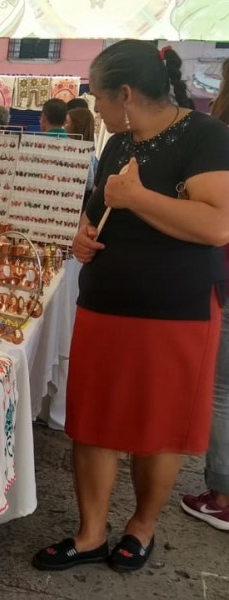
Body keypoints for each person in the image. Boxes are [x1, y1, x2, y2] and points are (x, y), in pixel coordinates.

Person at [32, 40, 229, 572]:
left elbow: (217, 224)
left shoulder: (206, 136)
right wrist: (80, 234)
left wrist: (137, 198)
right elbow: (96, 211)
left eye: (97, 97)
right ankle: (91, 532)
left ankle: (141, 527)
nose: (94, 109)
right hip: (105, 301)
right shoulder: (120, 142)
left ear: (125, 93)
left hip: (175, 310)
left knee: (156, 426)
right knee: (92, 421)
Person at [180, 56, 229, 531]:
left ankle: (223, 492)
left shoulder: (214, 138)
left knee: (222, 391)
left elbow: (213, 225)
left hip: (220, 273)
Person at [65, 107, 98, 210]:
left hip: (78, 202)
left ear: (76, 126)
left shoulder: (83, 151)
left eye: (67, 123)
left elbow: (89, 183)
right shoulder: (87, 148)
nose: (64, 127)